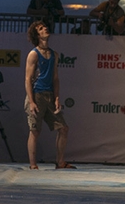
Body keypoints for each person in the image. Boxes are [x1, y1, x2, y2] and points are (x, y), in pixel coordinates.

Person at [24, 20, 76, 170]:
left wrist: (57, 97)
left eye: (45, 26)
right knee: (35, 130)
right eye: (41, 28)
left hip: (50, 96)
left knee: (63, 128)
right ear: (37, 34)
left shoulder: (54, 54)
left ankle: (60, 162)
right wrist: (32, 101)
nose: (45, 28)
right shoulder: (33, 54)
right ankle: (33, 165)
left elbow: (55, 78)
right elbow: (28, 79)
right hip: (37, 95)